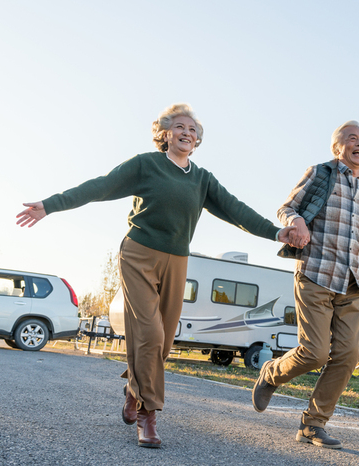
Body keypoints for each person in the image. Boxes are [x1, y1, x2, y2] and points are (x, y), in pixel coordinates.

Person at [16, 103, 295, 449]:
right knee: (148, 332)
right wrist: (51, 204)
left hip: (177, 260)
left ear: (197, 141)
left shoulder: (202, 179)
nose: (187, 133)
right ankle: (149, 414)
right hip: (139, 254)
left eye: (193, 130)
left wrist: (275, 232)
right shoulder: (146, 165)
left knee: (162, 342)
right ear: (164, 134)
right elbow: (100, 186)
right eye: (179, 127)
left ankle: (135, 389)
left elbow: (236, 210)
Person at [251, 120, 359, 449]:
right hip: (316, 274)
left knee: (347, 357)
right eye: (351, 138)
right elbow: (286, 207)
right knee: (315, 353)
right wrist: (298, 222)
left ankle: (312, 424)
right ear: (337, 148)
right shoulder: (321, 174)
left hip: (351, 283)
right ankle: (271, 374)